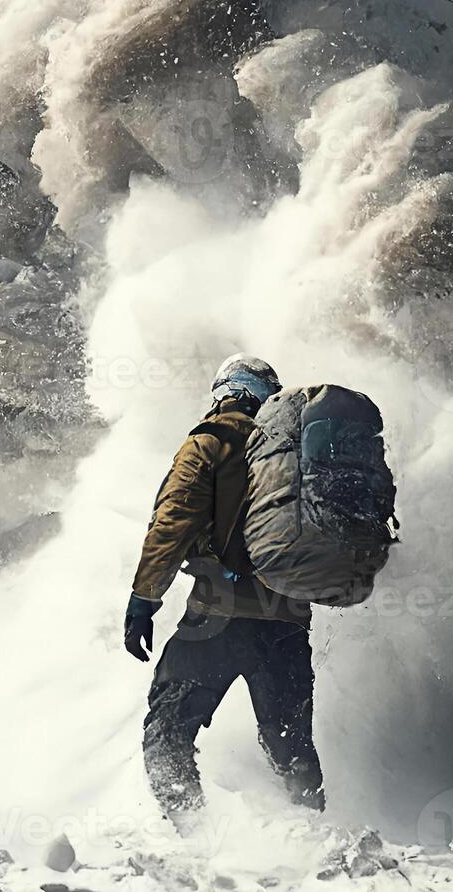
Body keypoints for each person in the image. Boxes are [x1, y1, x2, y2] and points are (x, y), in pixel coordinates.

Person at [123, 354, 323, 829]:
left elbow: (172, 523)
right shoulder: (298, 452)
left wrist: (143, 600)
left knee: (168, 732)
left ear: (225, 390)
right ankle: (315, 844)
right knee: (291, 744)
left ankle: (195, 836)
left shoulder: (210, 443)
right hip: (287, 626)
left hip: (218, 620)